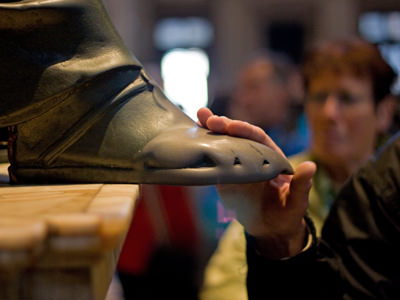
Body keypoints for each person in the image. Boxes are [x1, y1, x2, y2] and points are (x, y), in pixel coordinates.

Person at [199, 38, 397, 300]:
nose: (328, 112)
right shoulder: (280, 181)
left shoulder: (391, 185)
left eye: (347, 99)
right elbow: (225, 284)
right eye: (319, 97)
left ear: (383, 112)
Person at [210, 50, 309, 157]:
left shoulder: (305, 138)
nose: (242, 99)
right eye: (241, 88)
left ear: (282, 92)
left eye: (253, 87)